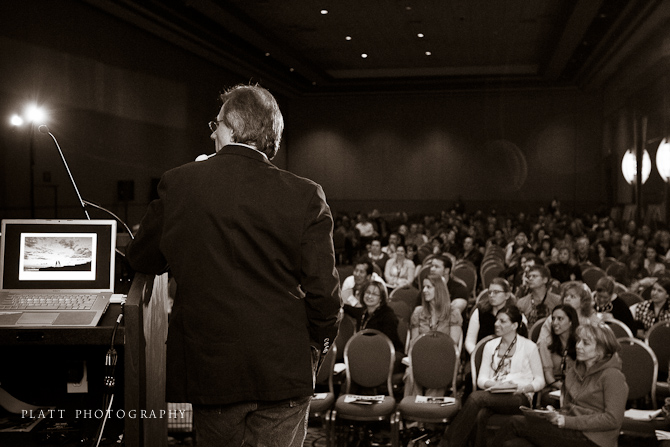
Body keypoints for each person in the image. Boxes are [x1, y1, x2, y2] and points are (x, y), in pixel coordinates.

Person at [126, 84, 341, 447]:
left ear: (232, 128)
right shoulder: (306, 193)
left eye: (216, 123)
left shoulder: (180, 183)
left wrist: (192, 190)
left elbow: (143, 258)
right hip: (284, 367)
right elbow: (324, 292)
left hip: (213, 369)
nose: (212, 132)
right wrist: (317, 348)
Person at [494, 323, 628, 447]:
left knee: (514, 423)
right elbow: (571, 406)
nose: (578, 346)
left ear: (601, 350)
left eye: (585, 343)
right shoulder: (575, 370)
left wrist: (566, 421)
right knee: (513, 444)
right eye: (578, 340)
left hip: (594, 438)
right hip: (571, 429)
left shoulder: (612, 376)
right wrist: (554, 414)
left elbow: (612, 419)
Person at [444, 303, 544, 447]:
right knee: (480, 415)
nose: (496, 324)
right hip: (494, 394)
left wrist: (522, 388)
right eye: (497, 320)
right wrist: (496, 385)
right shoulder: (490, 346)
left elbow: (540, 380)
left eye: (502, 321)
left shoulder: (529, 347)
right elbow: (481, 379)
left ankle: (447, 443)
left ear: (515, 325)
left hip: (519, 397)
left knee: (475, 398)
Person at [404, 273, 463, 397]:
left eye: (429, 287)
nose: (424, 290)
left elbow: (452, 345)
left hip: (444, 359)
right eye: (423, 287)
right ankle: (411, 411)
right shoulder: (418, 312)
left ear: (439, 290)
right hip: (421, 358)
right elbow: (413, 344)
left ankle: (429, 412)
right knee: (411, 373)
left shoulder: (453, 312)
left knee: (437, 373)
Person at [342, 279, 404, 356]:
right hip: (368, 351)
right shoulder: (364, 311)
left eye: (374, 294)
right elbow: (349, 309)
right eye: (368, 292)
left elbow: (387, 343)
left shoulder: (388, 316)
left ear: (381, 298)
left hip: (387, 355)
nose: (369, 296)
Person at [537, 304, 578, 406]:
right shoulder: (546, 343)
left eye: (560, 319)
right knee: (549, 400)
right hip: (552, 386)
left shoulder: (580, 343)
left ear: (570, 322)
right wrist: (561, 386)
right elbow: (548, 374)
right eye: (553, 319)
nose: (555, 323)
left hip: (576, 386)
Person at [536, 281, 600, 345]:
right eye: (566, 296)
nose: (567, 299)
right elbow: (542, 343)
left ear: (583, 302)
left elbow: (599, 346)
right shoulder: (553, 319)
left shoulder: (592, 321)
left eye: (572, 296)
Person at [464, 278, 516, 355]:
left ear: (507, 295)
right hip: (481, 355)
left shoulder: (516, 314)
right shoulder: (479, 312)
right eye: (489, 292)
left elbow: (521, 342)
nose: (491, 295)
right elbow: (469, 342)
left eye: (496, 292)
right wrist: (476, 355)